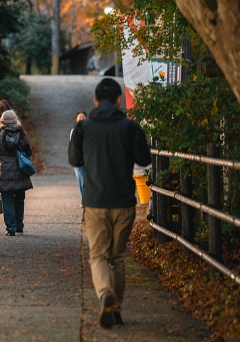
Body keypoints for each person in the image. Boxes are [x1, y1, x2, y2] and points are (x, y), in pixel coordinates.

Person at [69, 78, 152, 329]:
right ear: (118, 100)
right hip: (124, 201)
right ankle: (115, 310)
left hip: (95, 201)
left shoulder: (84, 129)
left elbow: (74, 160)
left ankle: (105, 293)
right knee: (117, 257)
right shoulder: (130, 127)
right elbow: (145, 159)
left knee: (98, 255)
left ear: (95, 101)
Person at [0, 109, 33, 236]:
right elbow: (29, 152)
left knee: (7, 201)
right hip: (20, 172)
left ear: (2, 122)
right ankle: (19, 225)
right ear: (15, 121)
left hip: (5, 173)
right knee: (20, 199)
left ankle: (11, 228)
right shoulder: (22, 135)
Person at [71, 112, 87, 203]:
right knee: (80, 179)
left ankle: (86, 200)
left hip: (88, 159)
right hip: (78, 159)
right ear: (76, 119)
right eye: (79, 117)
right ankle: (83, 199)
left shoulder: (91, 131)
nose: (81, 119)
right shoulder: (73, 131)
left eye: (83, 117)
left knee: (85, 179)